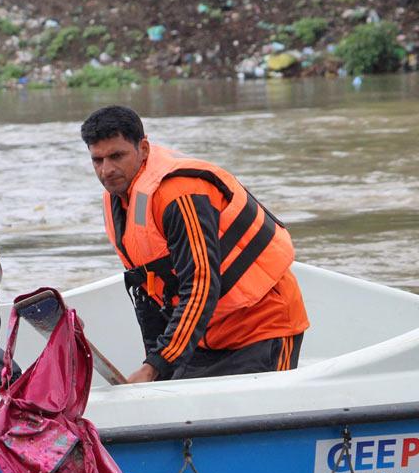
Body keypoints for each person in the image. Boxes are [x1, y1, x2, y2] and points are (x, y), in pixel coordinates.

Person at [79, 105, 309, 382]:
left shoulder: (179, 194)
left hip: (261, 329)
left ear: (143, 148)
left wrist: (154, 365)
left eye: (117, 156)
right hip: (203, 338)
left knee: (249, 418)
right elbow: (149, 289)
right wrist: (155, 364)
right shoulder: (120, 197)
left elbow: (201, 282)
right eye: (98, 160)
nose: (107, 170)